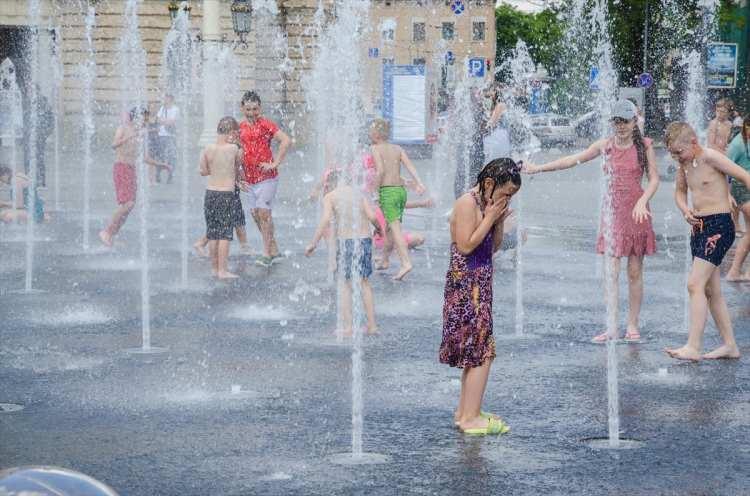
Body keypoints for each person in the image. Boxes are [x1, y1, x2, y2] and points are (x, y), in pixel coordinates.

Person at [524, 100, 659, 343]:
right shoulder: (604, 146)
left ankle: (632, 324)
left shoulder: (644, 146)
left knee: (634, 272)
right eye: (616, 121)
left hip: (637, 213)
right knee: (611, 272)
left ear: (634, 121)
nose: (620, 126)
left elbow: (654, 180)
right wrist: (538, 168)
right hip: (613, 214)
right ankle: (611, 326)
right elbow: (570, 160)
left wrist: (643, 200)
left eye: (625, 122)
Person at [440, 159, 520, 435]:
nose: (507, 199)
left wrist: (497, 222)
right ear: (489, 183)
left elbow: (492, 247)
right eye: (506, 192)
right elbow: (465, 245)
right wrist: (489, 217)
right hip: (467, 285)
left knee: (479, 349)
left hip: (480, 283)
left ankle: (466, 411)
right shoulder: (466, 203)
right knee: (482, 351)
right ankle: (470, 416)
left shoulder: (486, 205)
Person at [663, 122, 750, 361]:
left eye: (678, 152)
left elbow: (744, 176)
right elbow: (680, 192)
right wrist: (684, 209)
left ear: (693, 142)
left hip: (719, 226)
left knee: (694, 285)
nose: (675, 157)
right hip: (699, 228)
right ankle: (730, 346)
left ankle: (693, 346)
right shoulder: (684, 165)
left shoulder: (711, 157)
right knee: (711, 290)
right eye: (672, 153)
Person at [305, 168, 380, 336]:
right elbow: (372, 216)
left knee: (345, 284)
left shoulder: (330, 197)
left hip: (346, 242)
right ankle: (372, 325)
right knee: (364, 282)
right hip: (364, 240)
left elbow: (325, 220)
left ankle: (347, 327)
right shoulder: (359, 194)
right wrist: (380, 230)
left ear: (331, 183)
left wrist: (313, 243)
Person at [238, 91, 291, 267]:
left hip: (267, 178)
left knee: (263, 212)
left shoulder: (265, 124)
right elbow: (236, 153)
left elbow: (286, 140)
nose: (251, 112)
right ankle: (274, 249)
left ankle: (266, 253)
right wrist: (238, 176)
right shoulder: (240, 128)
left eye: (254, 108)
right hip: (250, 180)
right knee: (255, 214)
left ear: (259, 108)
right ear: (242, 108)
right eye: (248, 109)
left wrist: (275, 163)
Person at [370, 118, 427, 280]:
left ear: (376, 134)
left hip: (388, 193)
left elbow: (380, 171)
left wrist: (375, 192)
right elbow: (410, 166)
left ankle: (405, 263)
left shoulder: (375, 148)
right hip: (401, 193)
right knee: (388, 228)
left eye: (371, 130)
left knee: (395, 230)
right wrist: (419, 183)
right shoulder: (397, 148)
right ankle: (384, 260)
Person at [99, 107, 164, 247]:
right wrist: (128, 137)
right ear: (137, 118)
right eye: (145, 119)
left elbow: (143, 157)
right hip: (121, 168)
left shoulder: (139, 134)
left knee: (130, 205)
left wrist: (160, 164)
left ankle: (112, 235)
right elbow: (114, 145)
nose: (146, 122)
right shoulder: (123, 129)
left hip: (131, 170)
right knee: (127, 204)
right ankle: (107, 232)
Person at [198, 116, 245, 279]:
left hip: (210, 193)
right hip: (226, 194)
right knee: (225, 234)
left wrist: (215, 170)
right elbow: (239, 165)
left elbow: (203, 171)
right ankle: (223, 271)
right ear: (232, 132)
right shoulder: (233, 148)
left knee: (213, 233)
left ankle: (214, 268)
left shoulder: (207, 148)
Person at [724, 116, 750, 281]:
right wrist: (726, 194)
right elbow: (724, 169)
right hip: (741, 189)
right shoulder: (737, 144)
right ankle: (738, 271)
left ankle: (736, 272)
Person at [155, 93, 178, 183]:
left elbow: (171, 122)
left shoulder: (175, 109)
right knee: (160, 156)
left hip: (171, 136)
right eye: (164, 98)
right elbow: (157, 120)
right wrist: (166, 121)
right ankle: (158, 173)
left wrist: (163, 121)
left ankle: (170, 175)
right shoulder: (162, 108)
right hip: (161, 135)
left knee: (171, 157)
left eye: (166, 98)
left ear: (171, 99)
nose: (164, 100)